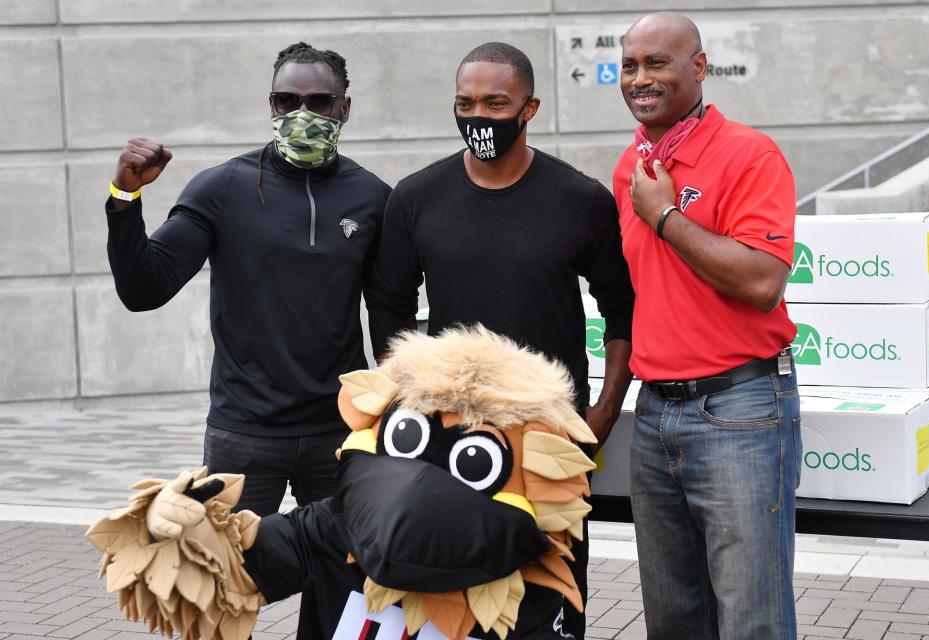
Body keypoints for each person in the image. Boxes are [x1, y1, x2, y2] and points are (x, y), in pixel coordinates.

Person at [104, 42, 390, 635]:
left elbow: (391, 320)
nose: (302, 112)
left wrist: (393, 417)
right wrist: (125, 196)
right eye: (288, 100)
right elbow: (143, 288)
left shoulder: (372, 197)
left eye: (319, 101)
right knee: (218, 587)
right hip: (243, 434)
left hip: (339, 436)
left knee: (346, 585)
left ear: (344, 108)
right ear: (270, 105)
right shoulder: (223, 188)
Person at [366, 42, 635, 639]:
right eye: (465, 103)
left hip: (550, 439)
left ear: (530, 108)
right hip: (446, 437)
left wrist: (606, 410)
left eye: (496, 102)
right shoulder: (416, 197)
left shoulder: (580, 198)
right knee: (449, 593)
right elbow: (389, 304)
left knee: (549, 596)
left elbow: (622, 308)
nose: (479, 117)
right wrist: (406, 395)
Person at [88, 327, 599, 640]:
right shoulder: (332, 529)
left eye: (475, 462)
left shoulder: (529, 583)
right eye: (406, 437)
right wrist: (162, 530)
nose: (417, 486)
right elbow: (225, 576)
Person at [613, 12, 800, 640]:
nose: (640, 78)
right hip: (655, 413)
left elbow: (760, 280)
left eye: (657, 63)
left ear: (698, 66)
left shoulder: (749, 153)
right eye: (630, 65)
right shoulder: (631, 169)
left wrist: (665, 215)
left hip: (739, 410)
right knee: (674, 618)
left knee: (753, 620)